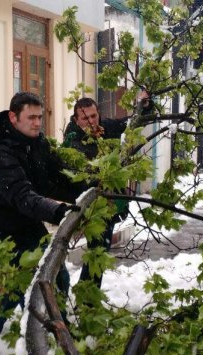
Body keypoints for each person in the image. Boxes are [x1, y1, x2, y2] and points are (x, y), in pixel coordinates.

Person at [0, 92, 81, 351]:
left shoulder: (37, 144)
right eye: (31, 117)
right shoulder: (0, 152)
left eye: (40, 117)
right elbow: (22, 195)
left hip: (26, 224)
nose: (36, 123)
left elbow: (56, 179)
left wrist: (86, 191)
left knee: (55, 279)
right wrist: (58, 211)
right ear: (13, 117)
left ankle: (60, 341)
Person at [63, 95, 151, 289]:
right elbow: (77, 172)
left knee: (99, 252)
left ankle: (88, 295)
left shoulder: (107, 127)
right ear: (76, 120)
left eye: (94, 116)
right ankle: (86, 295)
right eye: (86, 119)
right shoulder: (72, 139)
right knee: (96, 252)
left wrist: (144, 106)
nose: (92, 122)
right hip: (88, 203)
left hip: (110, 202)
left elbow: (132, 122)